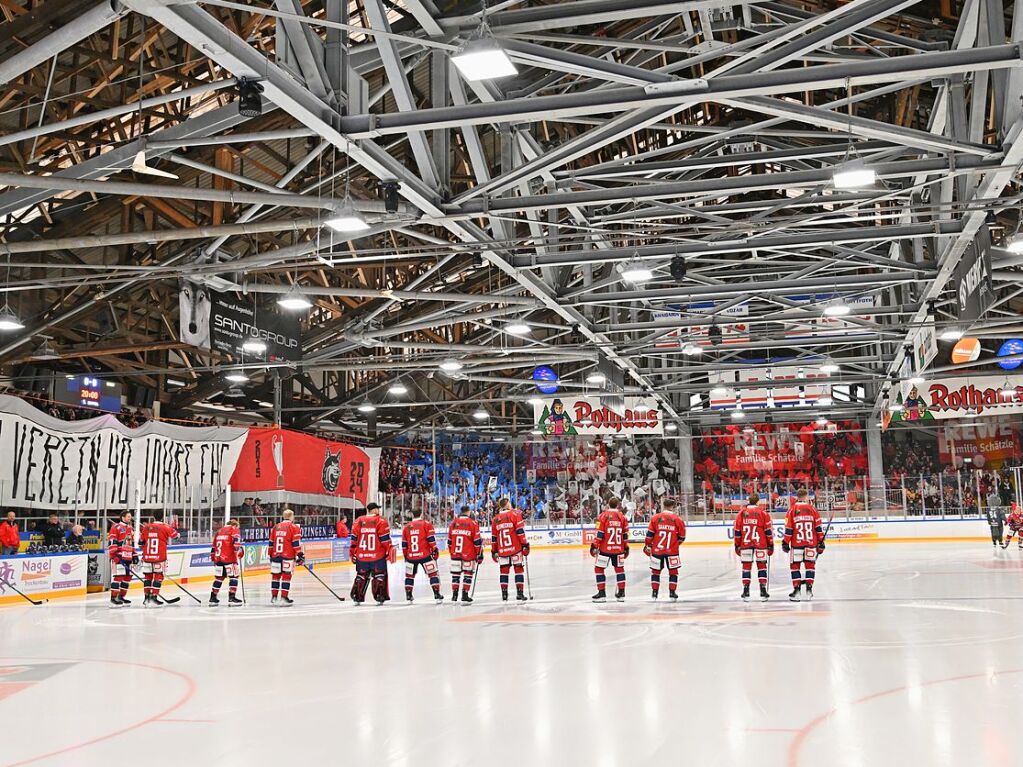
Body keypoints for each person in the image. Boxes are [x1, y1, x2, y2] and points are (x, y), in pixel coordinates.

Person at [782, 488, 824, 602]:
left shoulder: (792, 510)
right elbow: (818, 528)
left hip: (796, 545)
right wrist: (821, 541)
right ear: (806, 497)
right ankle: (809, 590)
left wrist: (785, 542)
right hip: (811, 544)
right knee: (810, 566)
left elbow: (789, 529)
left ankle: (797, 591)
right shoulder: (813, 509)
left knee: (795, 567)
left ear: (797, 497)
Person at [733, 493, 774, 602]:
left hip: (745, 544)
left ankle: (746, 591)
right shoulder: (763, 513)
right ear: (757, 502)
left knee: (746, 567)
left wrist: (737, 544)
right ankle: (763, 590)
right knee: (762, 567)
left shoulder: (741, 513)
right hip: (761, 544)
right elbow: (768, 531)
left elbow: (737, 532)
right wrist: (770, 544)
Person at [644, 497, 686, 600]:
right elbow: (682, 537)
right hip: (672, 551)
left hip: (657, 551)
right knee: (673, 572)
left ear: (664, 506)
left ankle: (654, 593)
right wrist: (674, 544)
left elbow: (649, 535)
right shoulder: (677, 519)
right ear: (673, 507)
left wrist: (649, 545)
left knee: (655, 572)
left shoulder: (655, 518)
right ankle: (672, 593)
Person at [350, 502, 392, 605]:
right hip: (377, 556)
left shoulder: (358, 521)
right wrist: (389, 550)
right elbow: (385, 540)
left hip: (362, 556)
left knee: (361, 575)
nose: (378, 510)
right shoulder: (381, 521)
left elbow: (354, 540)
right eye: (377, 508)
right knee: (379, 575)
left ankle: (356, 596)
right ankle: (379, 596)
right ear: (374, 510)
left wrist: (353, 553)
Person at [591, 496, 629, 602]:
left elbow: (600, 533)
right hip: (619, 549)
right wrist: (625, 546)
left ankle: (602, 594)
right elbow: (625, 534)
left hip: (605, 549)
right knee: (620, 570)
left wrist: (595, 545)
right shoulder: (622, 517)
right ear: (618, 505)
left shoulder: (603, 516)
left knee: (599, 569)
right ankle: (621, 593)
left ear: (608, 504)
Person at [491, 497, 530, 601]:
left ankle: (504, 594)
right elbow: (520, 532)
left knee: (504, 571)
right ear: (507, 504)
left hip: (502, 550)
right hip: (515, 548)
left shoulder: (495, 519)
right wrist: (525, 544)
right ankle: (519, 593)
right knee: (518, 570)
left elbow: (494, 538)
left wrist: (494, 550)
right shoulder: (515, 515)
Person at [139, 510, 180, 607]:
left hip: (147, 557)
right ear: (162, 517)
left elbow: (141, 543)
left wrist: (146, 551)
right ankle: (154, 597)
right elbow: (176, 536)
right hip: (159, 557)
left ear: (153, 516)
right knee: (158, 577)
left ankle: (146, 599)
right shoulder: (165, 527)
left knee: (148, 577)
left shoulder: (146, 527)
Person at [401, 509, 442, 603]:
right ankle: (436, 594)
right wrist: (435, 550)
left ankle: (408, 595)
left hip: (411, 556)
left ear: (412, 515)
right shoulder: (426, 524)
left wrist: (406, 556)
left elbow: (404, 544)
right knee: (433, 574)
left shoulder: (406, 527)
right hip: (425, 555)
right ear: (421, 514)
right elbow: (431, 539)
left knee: (409, 576)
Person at [448, 506, 483, 603]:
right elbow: (477, 541)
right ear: (468, 512)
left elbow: (449, 541)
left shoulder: (453, 523)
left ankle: (454, 596)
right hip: (468, 554)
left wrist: (452, 552)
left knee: (455, 575)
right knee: (468, 574)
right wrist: (479, 554)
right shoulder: (473, 523)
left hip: (455, 554)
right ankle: (465, 594)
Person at [269, 509, 304, 606]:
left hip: (275, 555)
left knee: (275, 576)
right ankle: (284, 597)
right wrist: (300, 554)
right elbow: (295, 543)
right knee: (286, 576)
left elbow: (271, 542)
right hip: (287, 556)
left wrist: (270, 554)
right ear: (291, 516)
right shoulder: (294, 527)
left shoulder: (276, 527)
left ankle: (274, 597)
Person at [210, 519, 244, 606]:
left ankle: (213, 597)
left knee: (219, 578)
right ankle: (232, 597)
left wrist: (213, 558)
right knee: (234, 577)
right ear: (235, 525)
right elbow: (236, 543)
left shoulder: (219, 531)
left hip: (219, 559)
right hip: (229, 558)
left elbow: (213, 547)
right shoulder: (234, 529)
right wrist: (240, 551)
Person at [107, 511, 136, 608]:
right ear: (122, 517)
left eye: (130, 517)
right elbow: (112, 542)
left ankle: (121, 596)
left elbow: (131, 543)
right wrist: (113, 555)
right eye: (128, 517)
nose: (129, 518)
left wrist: (134, 554)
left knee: (127, 578)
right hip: (119, 556)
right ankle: (113, 597)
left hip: (128, 556)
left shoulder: (130, 528)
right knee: (118, 577)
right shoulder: (115, 527)